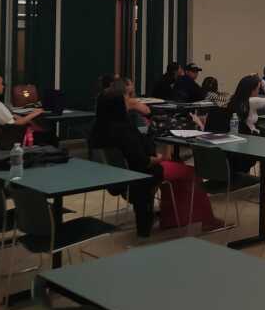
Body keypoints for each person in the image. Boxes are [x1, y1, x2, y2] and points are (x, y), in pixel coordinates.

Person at [94, 78, 222, 235]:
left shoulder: (100, 129)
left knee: (174, 168)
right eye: (127, 99)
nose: (130, 101)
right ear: (118, 105)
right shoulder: (123, 130)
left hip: (122, 178)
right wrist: (160, 158)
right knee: (191, 173)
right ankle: (207, 221)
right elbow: (144, 160)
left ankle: (172, 217)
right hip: (143, 173)